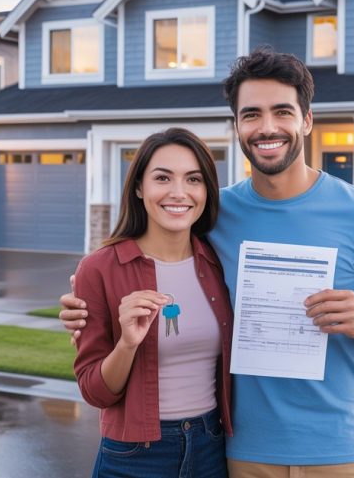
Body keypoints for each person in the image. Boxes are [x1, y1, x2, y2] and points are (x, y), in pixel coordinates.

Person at [62, 47, 354, 477]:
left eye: (282, 112)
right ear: (236, 126)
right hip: (242, 452)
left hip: (339, 450)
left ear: (307, 120)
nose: (267, 127)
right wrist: (86, 303)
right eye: (251, 114)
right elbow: (150, 259)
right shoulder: (213, 215)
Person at [72, 127, 233, 478]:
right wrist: (128, 344)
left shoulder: (221, 262)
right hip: (134, 456)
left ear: (206, 190)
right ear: (139, 188)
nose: (179, 192)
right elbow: (95, 391)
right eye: (163, 178)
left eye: (193, 179)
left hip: (212, 448)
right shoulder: (99, 269)